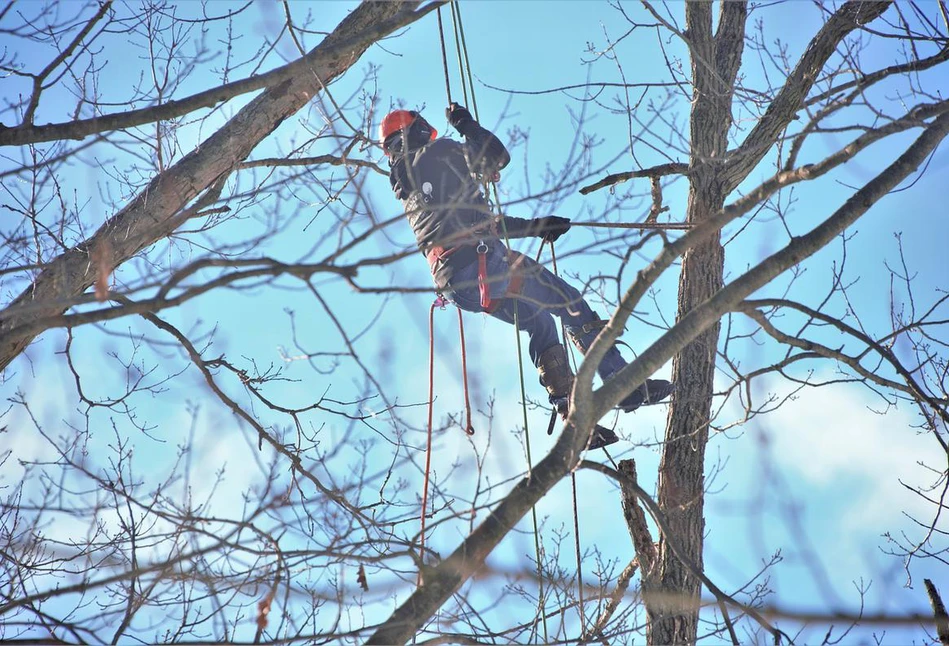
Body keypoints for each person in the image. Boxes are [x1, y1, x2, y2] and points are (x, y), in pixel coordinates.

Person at [381, 103, 672, 449]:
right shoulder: (440, 152)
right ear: (418, 130)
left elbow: (476, 227)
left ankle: (572, 415)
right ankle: (623, 383)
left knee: (538, 320)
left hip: (462, 284)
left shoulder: (410, 188)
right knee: (566, 299)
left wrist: (536, 227)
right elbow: (496, 156)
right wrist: (464, 123)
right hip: (481, 264)